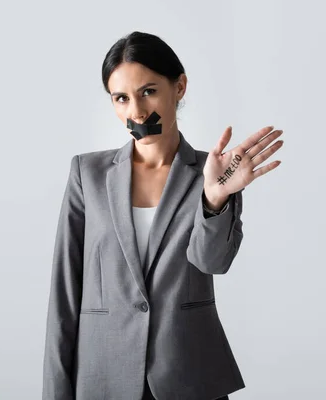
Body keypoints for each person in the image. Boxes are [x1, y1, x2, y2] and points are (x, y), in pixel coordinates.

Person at [42, 31, 283, 400]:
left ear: (179, 86)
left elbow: (213, 262)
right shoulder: (87, 174)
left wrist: (214, 199)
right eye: (121, 98)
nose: (136, 112)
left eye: (149, 91)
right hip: (103, 377)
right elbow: (65, 294)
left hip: (188, 375)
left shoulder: (213, 172)